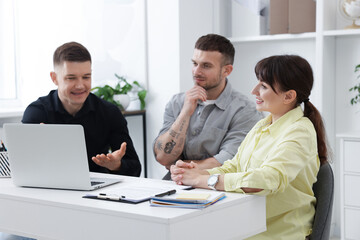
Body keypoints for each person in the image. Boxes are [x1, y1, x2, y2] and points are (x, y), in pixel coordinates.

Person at [170, 55, 329, 239]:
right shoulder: (263, 125)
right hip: (246, 225)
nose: (254, 91)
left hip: (277, 233)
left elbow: (267, 179)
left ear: (289, 96)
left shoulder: (300, 132)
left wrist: (202, 181)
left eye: (263, 86)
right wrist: (196, 173)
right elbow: (235, 166)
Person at [22, 41, 141, 177]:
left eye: (86, 77)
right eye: (71, 78)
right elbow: (23, 167)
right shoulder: (36, 113)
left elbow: (135, 168)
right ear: (54, 78)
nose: (80, 85)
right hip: (50, 187)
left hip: (96, 191)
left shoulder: (109, 112)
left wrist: (116, 165)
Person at [153, 34, 262, 179]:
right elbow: (163, 157)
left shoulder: (245, 110)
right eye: (194, 63)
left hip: (216, 183)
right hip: (175, 180)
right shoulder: (177, 102)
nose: (197, 71)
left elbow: (227, 161)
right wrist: (185, 113)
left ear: (227, 71)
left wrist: (179, 165)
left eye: (206, 66)